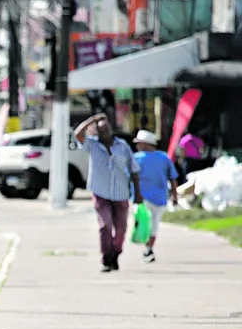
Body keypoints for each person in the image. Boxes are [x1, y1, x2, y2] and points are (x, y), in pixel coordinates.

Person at [74, 113, 143, 272]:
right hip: (101, 193)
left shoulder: (123, 146)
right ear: (97, 132)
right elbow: (78, 134)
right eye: (102, 130)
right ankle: (106, 259)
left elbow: (134, 170)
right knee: (105, 225)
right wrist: (92, 120)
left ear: (111, 130)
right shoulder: (92, 145)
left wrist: (138, 194)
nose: (105, 133)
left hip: (121, 194)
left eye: (107, 130)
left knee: (120, 230)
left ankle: (115, 254)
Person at [132, 130, 179, 263]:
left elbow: (127, 177)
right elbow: (173, 178)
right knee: (154, 226)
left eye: (139, 143)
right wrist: (175, 196)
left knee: (145, 224)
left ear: (146, 144)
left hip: (141, 198)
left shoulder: (136, 158)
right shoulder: (164, 158)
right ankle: (149, 249)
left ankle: (148, 249)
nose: (137, 146)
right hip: (160, 198)